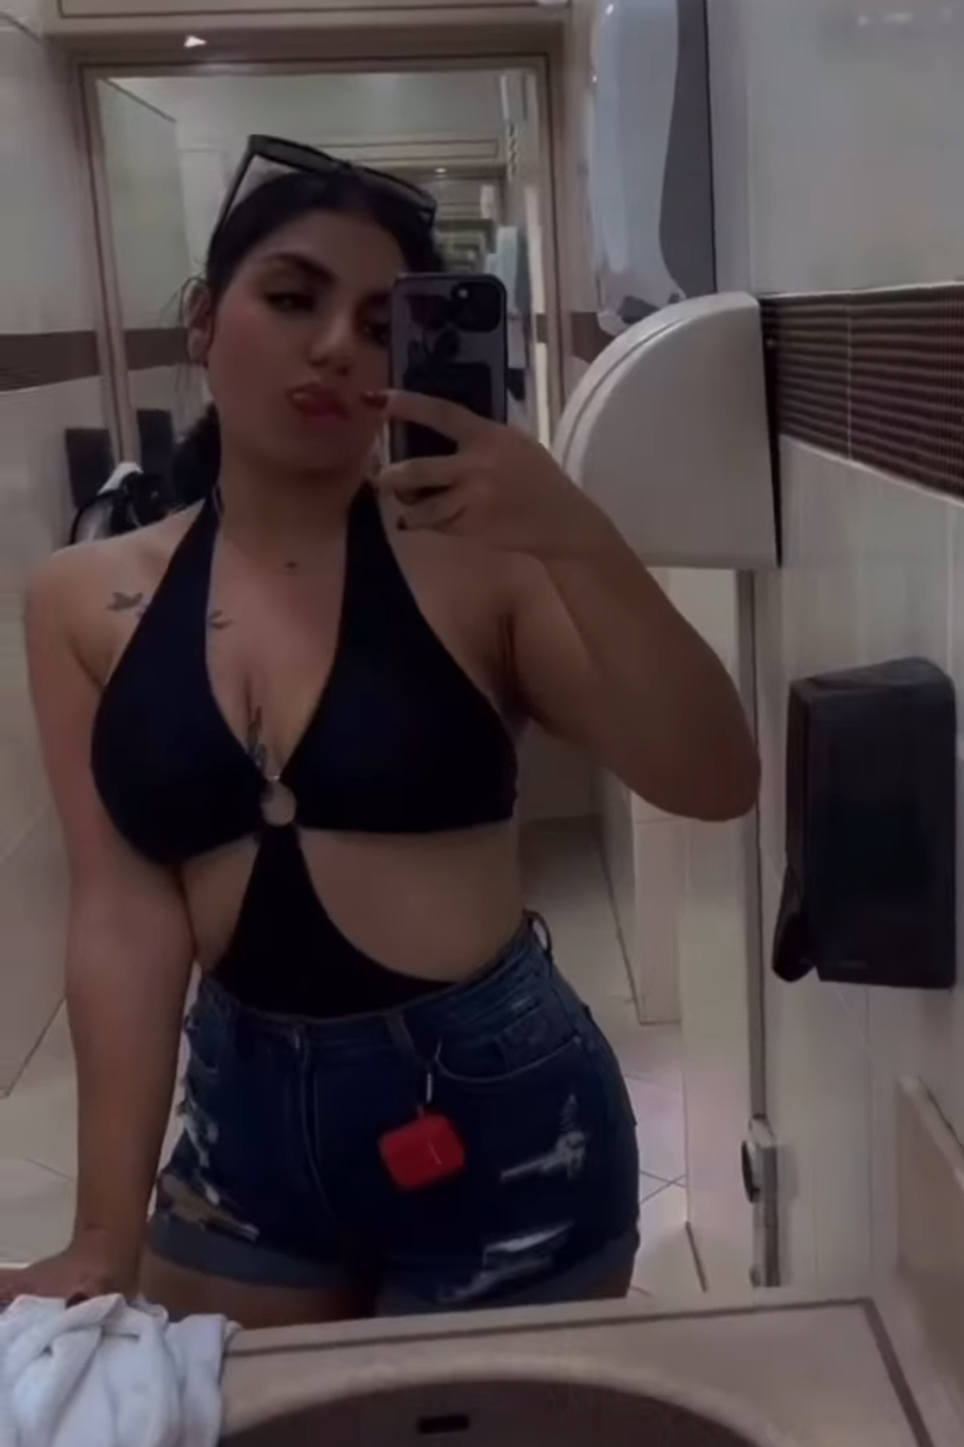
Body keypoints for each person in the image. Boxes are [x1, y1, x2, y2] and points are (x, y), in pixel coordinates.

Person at [0, 138, 759, 1327]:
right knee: (244, 1408)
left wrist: (576, 533)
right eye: (291, 297)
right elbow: (122, 915)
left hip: (503, 1116)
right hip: (243, 1127)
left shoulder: (483, 565)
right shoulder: (81, 599)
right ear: (204, 319)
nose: (333, 348)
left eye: (376, 323)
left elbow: (712, 776)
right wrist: (101, 1234)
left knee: (471, 1414)